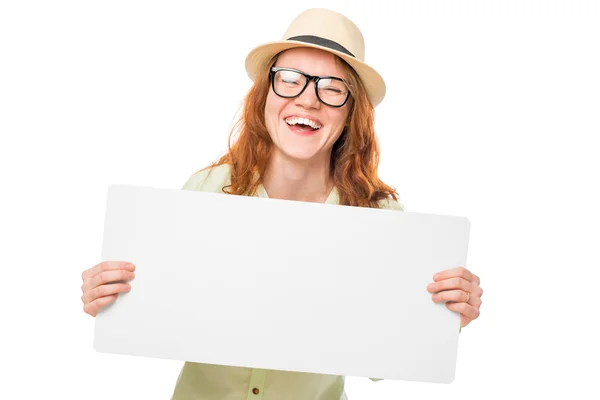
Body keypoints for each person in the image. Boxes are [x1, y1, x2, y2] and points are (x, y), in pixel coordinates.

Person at [80, 7, 483, 400]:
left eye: (331, 87)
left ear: (351, 112)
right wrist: (113, 298)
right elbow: (163, 312)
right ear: (265, 95)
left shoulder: (381, 220)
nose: (308, 100)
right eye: (289, 79)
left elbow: (383, 358)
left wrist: (445, 320)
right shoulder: (206, 189)